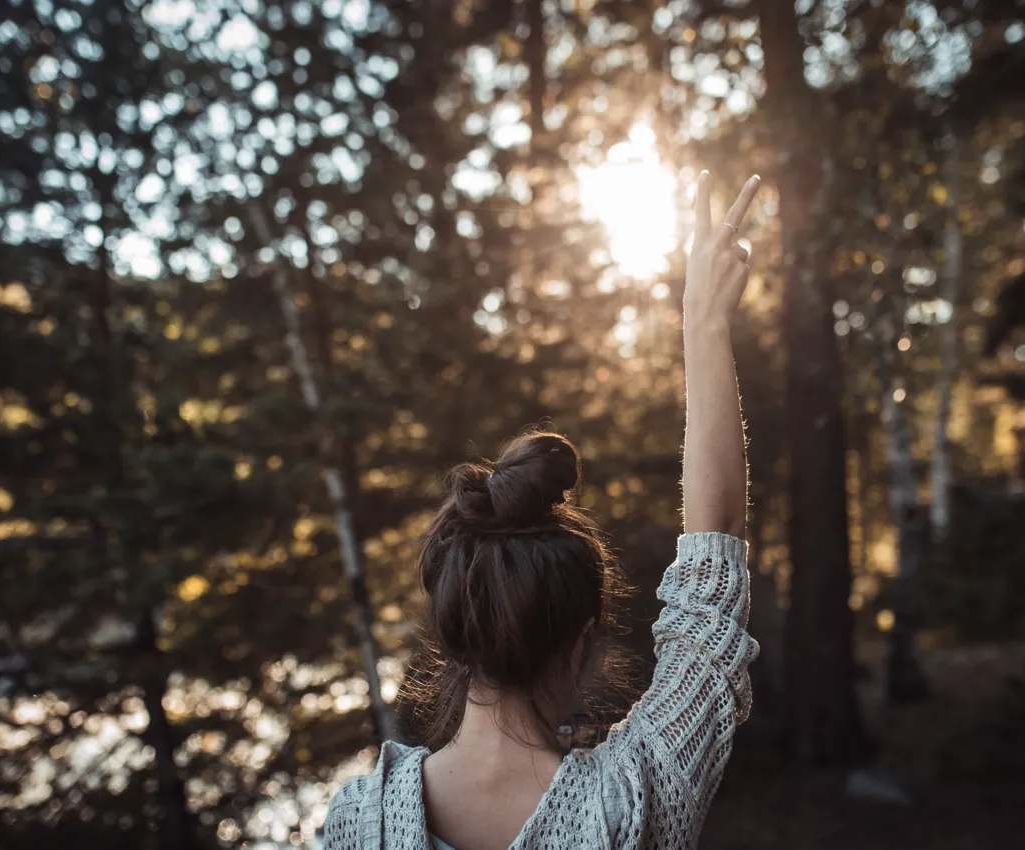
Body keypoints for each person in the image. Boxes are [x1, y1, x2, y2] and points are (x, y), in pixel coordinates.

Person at [322, 172, 762, 850]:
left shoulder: (361, 822)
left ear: (458, 634)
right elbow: (717, 556)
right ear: (582, 639)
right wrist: (703, 321)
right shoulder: (632, 801)